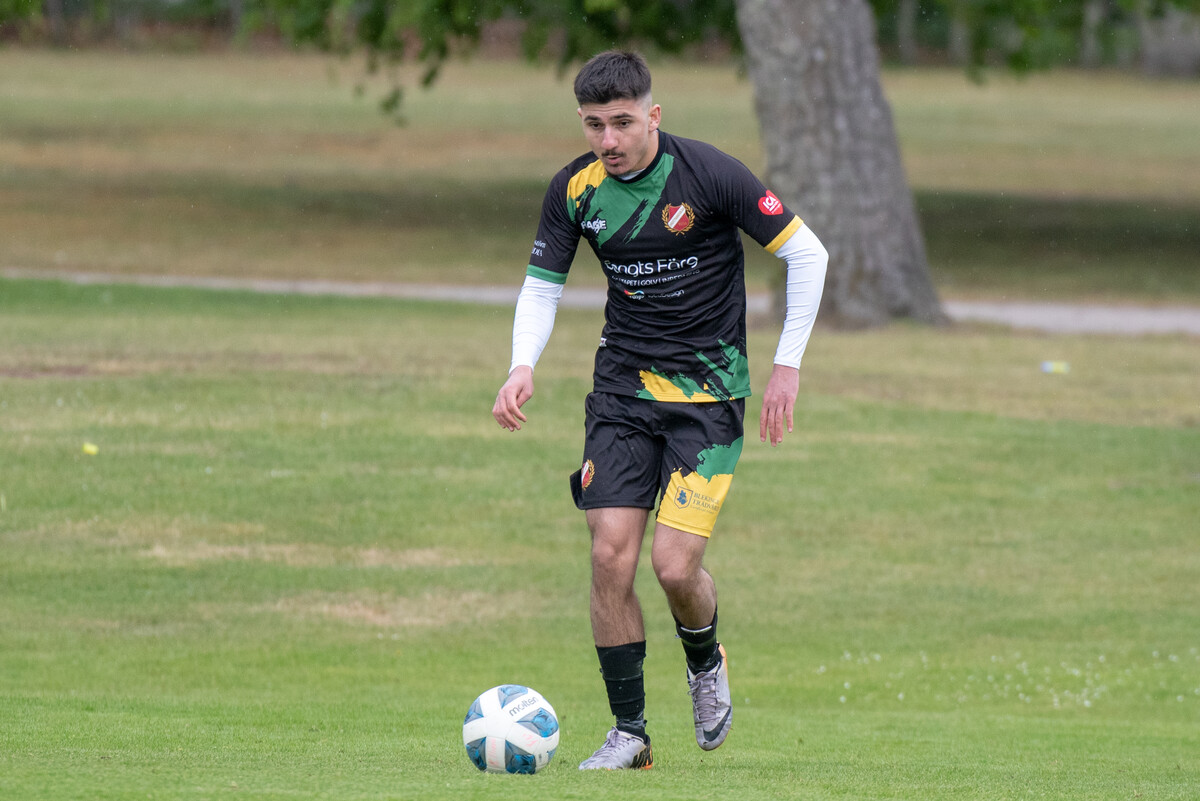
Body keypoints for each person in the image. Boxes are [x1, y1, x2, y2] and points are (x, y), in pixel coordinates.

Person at [492, 50, 827, 771]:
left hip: (707, 401)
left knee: (675, 568)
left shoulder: (709, 174)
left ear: (653, 115)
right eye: (594, 125)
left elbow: (808, 254)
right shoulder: (575, 189)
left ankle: (705, 659)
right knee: (608, 554)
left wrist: (787, 365)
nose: (608, 140)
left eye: (621, 122)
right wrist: (522, 364)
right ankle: (630, 733)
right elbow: (543, 285)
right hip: (622, 394)